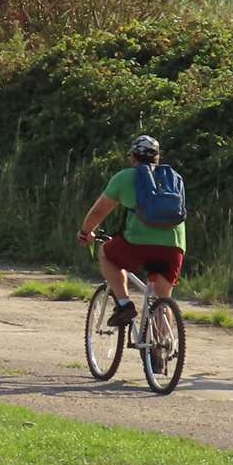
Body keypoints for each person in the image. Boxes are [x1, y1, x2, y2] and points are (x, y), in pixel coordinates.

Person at [76, 135, 186, 328]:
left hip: (137, 243)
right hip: (174, 245)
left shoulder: (125, 177)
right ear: (157, 158)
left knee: (107, 254)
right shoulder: (174, 178)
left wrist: (86, 233)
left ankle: (124, 304)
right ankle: (161, 352)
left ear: (133, 157)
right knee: (163, 299)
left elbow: (99, 211)